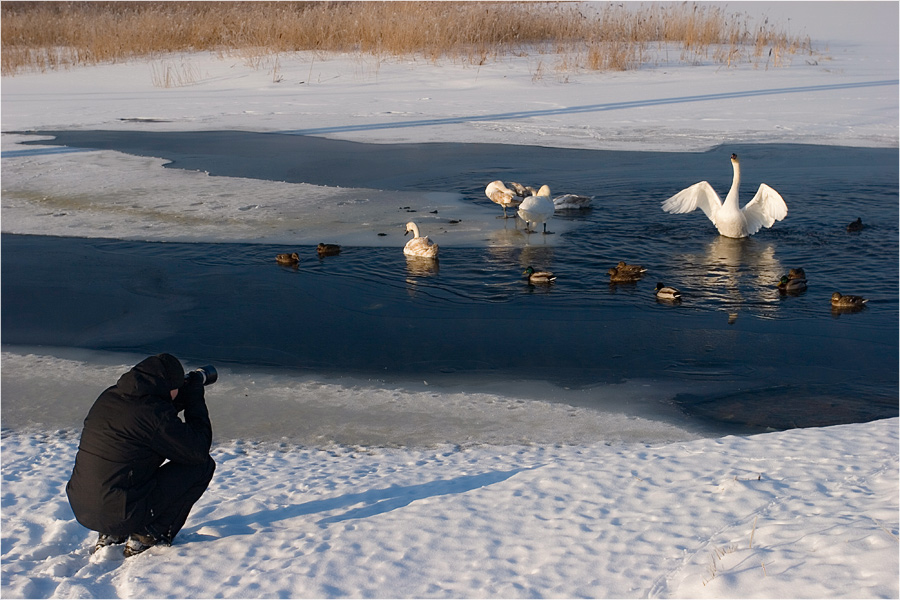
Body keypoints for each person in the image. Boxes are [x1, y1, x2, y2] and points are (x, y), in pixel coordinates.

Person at [66, 353, 215, 557]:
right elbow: (197, 450)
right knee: (202, 466)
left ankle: (111, 534)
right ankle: (148, 534)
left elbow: (147, 418)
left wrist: (178, 397)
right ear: (168, 386)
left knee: (121, 467)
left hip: (82, 505)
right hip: (119, 512)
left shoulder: (110, 396)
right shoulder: (153, 416)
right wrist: (194, 399)